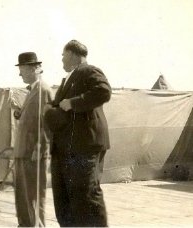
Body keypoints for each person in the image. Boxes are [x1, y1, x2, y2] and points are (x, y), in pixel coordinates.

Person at [45, 40, 112, 227]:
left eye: (63, 55)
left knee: (86, 196)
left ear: (73, 54)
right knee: (65, 199)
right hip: (68, 148)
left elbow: (103, 91)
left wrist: (74, 102)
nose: (61, 59)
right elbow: (62, 110)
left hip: (85, 146)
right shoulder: (69, 78)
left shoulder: (88, 70)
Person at [13, 52, 53, 227]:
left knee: (34, 197)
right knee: (22, 197)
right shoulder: (32, 90)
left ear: (33, 68)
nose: (20, 74)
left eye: (21, 69)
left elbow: (48, 122)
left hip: (33, 154)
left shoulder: (43, 90)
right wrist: (18, 112)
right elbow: (31, 119)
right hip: (23, 152)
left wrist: (40, 148)